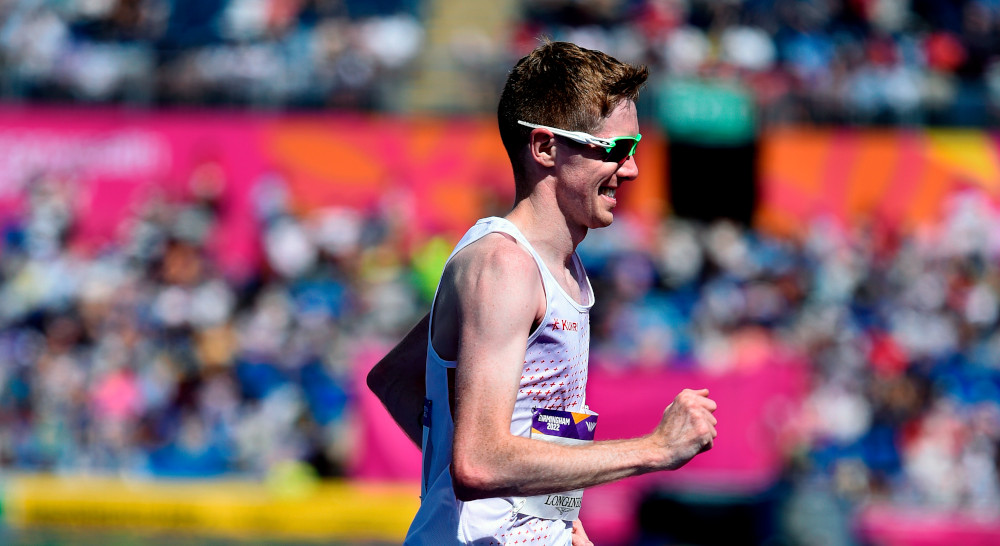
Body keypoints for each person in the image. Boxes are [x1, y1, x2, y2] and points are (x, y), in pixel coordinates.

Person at [367, 40, 718, 545]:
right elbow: (479, 462)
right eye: (615, 150)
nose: (633, 168)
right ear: (545, 148)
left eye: (635, 149)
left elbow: (395, 379)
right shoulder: (504, 266)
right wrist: (656, 448)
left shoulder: (560, 266)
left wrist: (552, 512)